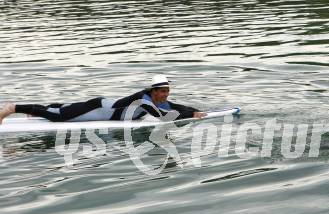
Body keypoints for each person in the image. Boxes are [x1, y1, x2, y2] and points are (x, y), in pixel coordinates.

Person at [0, 75, 206, 124]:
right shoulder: (144, 100)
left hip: (103, 107)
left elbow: (176, 106)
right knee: (59, 118)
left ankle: (33, 110)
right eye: (162, 91)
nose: (165, 95)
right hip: (98, 110)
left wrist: (195, 110)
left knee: (63, 108)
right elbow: (163, 116)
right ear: (153, 91)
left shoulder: (156, 99)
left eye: (167, 91)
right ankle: (12, 107)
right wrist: (191, 115)